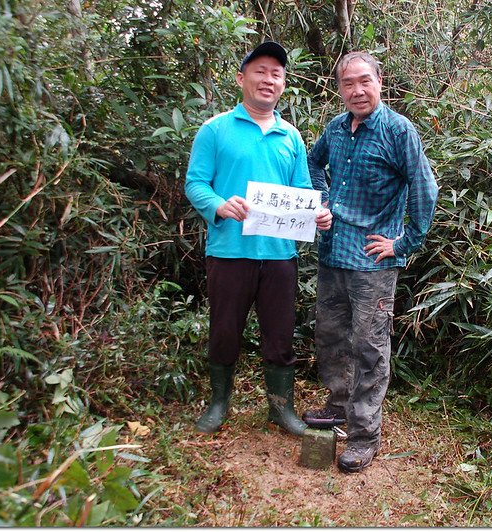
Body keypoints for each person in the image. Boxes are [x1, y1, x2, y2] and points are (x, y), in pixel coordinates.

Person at [184, 41, 332, 437]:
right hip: (230, 251)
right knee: (225, 330)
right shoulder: (215, 130)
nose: (268, 79)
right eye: (260, 71)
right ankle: (218, 403)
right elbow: (196, 183)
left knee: (281, 333)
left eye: (276, 74)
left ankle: (281, 409)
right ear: (241, 78)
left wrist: (314, 213)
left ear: (284, 84)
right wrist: (217, 204)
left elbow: (301, 188)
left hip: (280, 254)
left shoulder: (291, 137)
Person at [304, 52, 439, 472]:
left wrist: (403, 244)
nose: (357, 90)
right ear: (339, 87)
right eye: (348, 83)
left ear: (380, 81)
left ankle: (364, 435)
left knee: (369, 347)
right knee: (329, 335)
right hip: (333, 254)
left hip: (372, 264)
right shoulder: (336, 128)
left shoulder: (398, 131)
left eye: (365, 81)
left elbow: (424, 187)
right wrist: (322, 201)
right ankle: (338, 405)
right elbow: (313, 162)